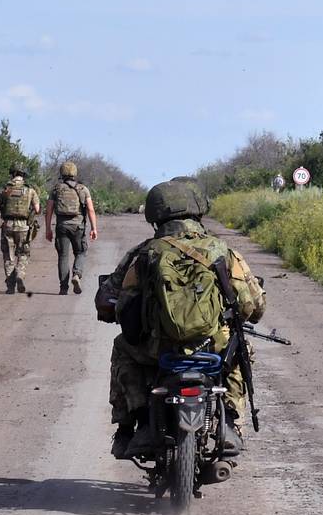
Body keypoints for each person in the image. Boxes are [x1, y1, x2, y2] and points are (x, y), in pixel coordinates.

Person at [95, 177, 266, 458]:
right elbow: (253, 308)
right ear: (199, 212)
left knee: (122, 348)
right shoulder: (223, 252)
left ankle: (133, 425)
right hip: (211, 349)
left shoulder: (143, 254)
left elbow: (114, 303)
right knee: (240, 347)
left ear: (155, 215)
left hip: (158, 351)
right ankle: (231, 422)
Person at [44, 160, 99, 295]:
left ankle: (63, 288)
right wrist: (94, 228)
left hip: (62, 226)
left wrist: (48, 229)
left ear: (62, 173)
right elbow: (91, 210)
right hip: (78, 227)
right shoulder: (83, 189)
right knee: (81, 252)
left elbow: (49, 210)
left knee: (63, 256)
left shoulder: (56, 189)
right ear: (75, 173)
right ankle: (77, 274)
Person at [0, 165, 41, 294]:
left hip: (7, 225)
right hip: (24, 226)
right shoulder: (30, 190)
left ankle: (10, 286)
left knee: (8, 255)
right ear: (23, 175)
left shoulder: (4, 189)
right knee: (23, 253)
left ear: (12, 174)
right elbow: (37, 209)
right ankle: (20, 274)